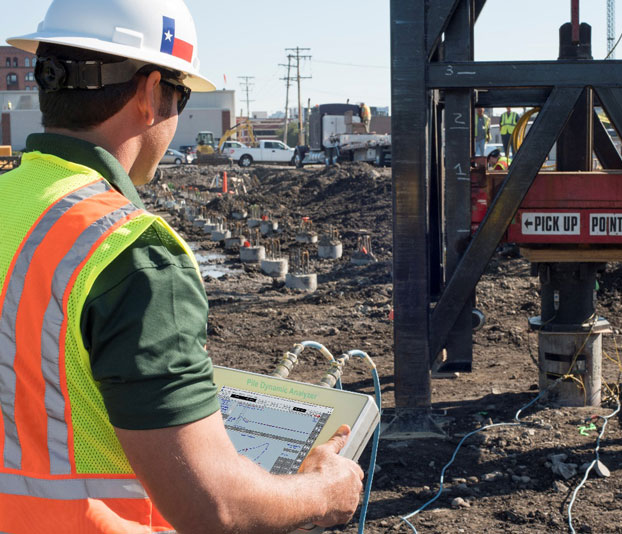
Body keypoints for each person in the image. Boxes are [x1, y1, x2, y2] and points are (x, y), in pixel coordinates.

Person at [0, 1, 363, 533]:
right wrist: (322, 493)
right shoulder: (131, 253)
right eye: (181, 96)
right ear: (150, 93)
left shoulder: (13, 201)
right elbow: (214, 507)